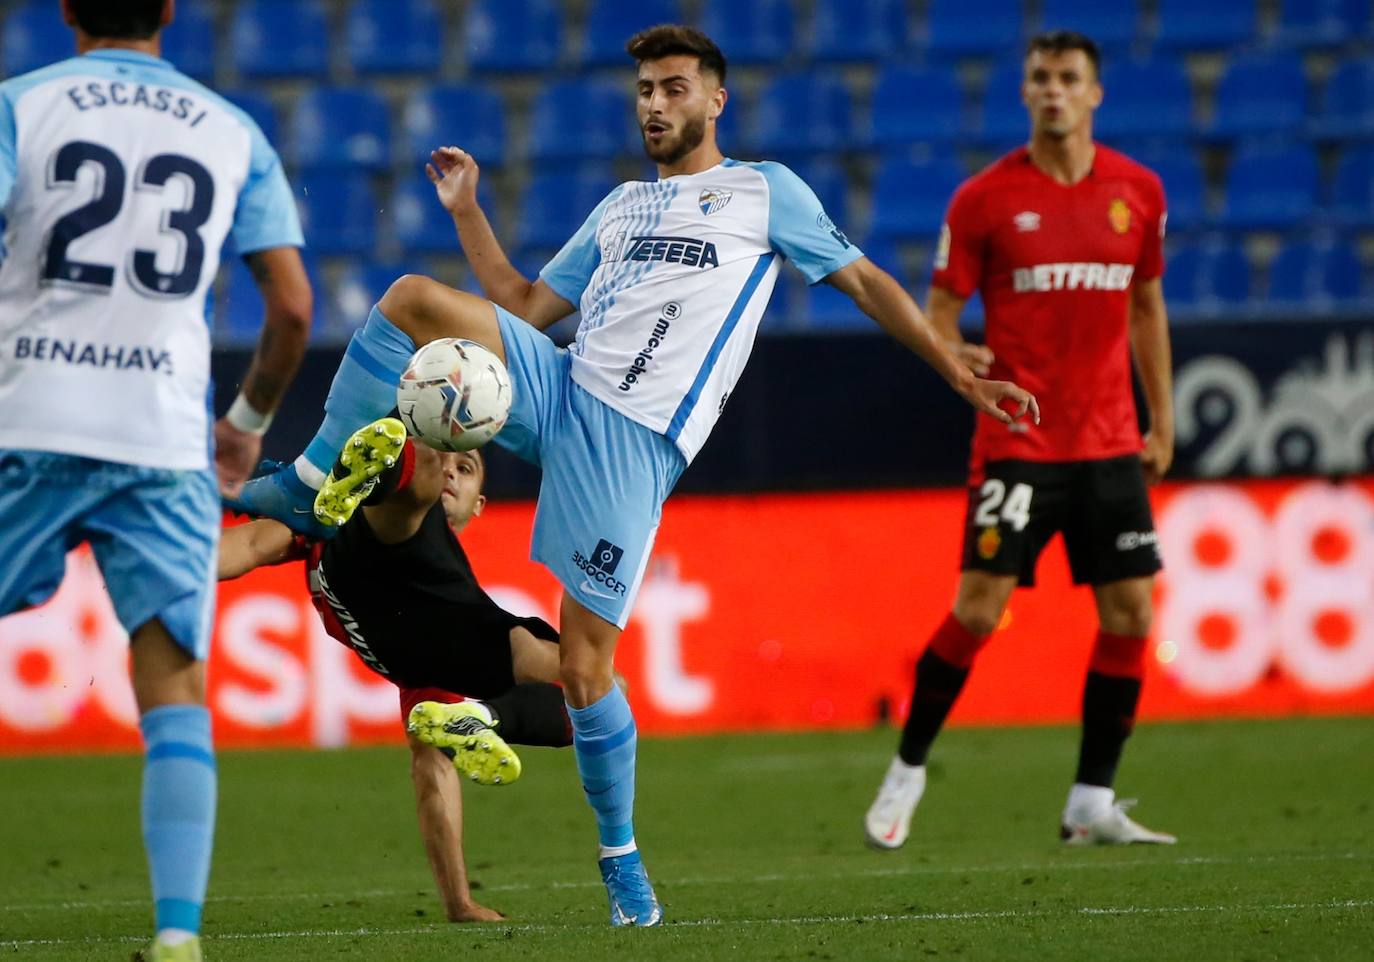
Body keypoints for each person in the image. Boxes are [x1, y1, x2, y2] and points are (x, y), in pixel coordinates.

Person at [231, 24, 1038, 926]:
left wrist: (951, 365)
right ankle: (309, 480)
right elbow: (531, 306)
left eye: (674, 88)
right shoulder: (621, 207)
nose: (656, 104)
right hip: (562, 385)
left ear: (715, 100)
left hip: (632, 441)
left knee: (583, 671)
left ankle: (620, 861)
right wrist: (468, 211)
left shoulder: (764, 193)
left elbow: (865, 282)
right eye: (646, 90)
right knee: (414, 299)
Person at [0, 2, 311, 959]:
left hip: (29, 416)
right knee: (174, 680)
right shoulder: (230, 129)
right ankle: (178, 939)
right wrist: (246, 425)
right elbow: (293, 307)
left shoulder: (22, 105)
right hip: (162, 432)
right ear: (168, 13)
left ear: (66, 9)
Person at [863, 30, 1176, 851]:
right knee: (979, 605)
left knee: (1133, 611)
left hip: (1109, 439)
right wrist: (951, 349)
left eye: (1069, 78)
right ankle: (908, 769)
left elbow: (1146, 308)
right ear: (1026, 92)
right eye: (1040, 77)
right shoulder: (984, 199)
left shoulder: (1138, 192)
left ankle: (1091, 801)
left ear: (1095, 93)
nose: (1054, 91)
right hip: (1020, 442)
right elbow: (937, 307)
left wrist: (1162, 418)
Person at [220, 420, 576, 923]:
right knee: (423, 468)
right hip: (364, 533)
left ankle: (483, 717)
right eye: (455, 460)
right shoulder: (331, 523)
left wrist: (459, 903)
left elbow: (433, 776)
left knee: (596, 693)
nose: (455, 471)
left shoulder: (437, 660)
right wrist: (171, 564)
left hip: (436, 640)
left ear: (477, 506)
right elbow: (250, 545)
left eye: (468, 469)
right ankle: (377, 471)